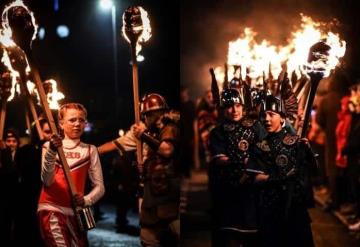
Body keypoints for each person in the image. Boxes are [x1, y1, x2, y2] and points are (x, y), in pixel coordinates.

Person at [98, 93, 180, 246]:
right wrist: (92, 152)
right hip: (149, 190)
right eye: (148, 115)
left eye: (152, 114)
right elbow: (115, 144)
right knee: (148, 237)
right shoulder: (142, 131)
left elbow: (167, 150)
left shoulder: (171, 128)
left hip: (168, 191)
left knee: (174, 231)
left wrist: (143, 135)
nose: (149, 118)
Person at [248, 94, 315, 247]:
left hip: (295, 210)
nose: (266, 119)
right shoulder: (259, 145)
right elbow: (257, 179)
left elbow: (311, 173)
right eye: (264, 115)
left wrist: (308, 153)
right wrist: (280, 178)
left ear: (282, 117)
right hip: (269, 209)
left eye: (271, 114)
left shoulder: (295, 142)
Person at [37, 103, 105, 246]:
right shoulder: (48, 146)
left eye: (81, 120)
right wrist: (51, 151)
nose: (77, 124)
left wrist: (86, 200)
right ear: (61, 124)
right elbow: (47, 180)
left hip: (77, 212)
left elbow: (100, 187)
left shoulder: (90, 150)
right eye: (72, 120)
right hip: (52, 208)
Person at [208, 88, 265, 247]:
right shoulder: (218, 132)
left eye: (238, 105)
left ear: (243, 106)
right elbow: (220, 159)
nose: (234, 110)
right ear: (224, 109)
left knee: (254, 236)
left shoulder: (256, 127)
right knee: (230, 236)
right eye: (230, 106)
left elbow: (265, 152)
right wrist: (242, 161)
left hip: (253, 190)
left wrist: (254, 163)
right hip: (229, 189)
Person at [15, 118, 51, 246]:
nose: (50, 135)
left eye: (53, 131)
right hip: (30, 201)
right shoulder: (26, 150)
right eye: (47, 132)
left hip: (50, 202)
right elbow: (26, 172)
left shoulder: (60, 152)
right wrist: (41, 151)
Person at [0, 128, 21, 244]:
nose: (11, 144)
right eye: (8, 141)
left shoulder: (21, 156)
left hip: (17, 196)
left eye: (14, 141)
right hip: (4, 196)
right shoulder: (2, 155)